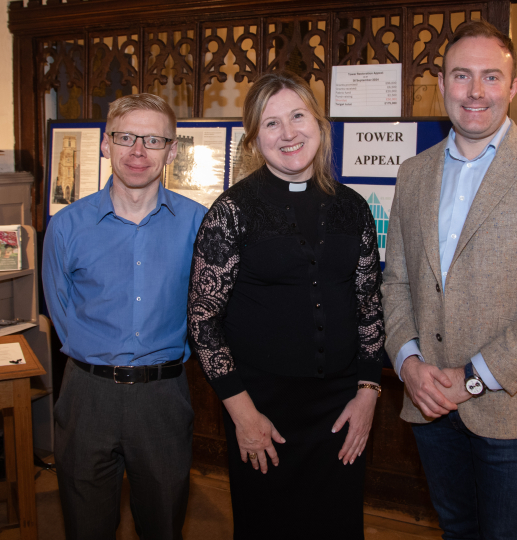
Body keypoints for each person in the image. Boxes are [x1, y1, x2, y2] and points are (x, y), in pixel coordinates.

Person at [381, 20, 517, 540]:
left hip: (511, 407)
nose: (476, 92)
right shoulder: (413, 174)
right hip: (429, 403)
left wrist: (472, 378)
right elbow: (397, 284)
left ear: (514, 87)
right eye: (461, 76)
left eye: (491, 77)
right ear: (441, 84)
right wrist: (408, 363)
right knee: (455, 527)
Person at [188, 70, 385, 540]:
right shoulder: (231, 212)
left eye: (298, 116)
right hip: (262, 412)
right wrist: (243, 414)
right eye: (271, 123)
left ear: (320, 124)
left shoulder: (353, 208)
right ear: (255, 139)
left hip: (340, 410)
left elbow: (369, 308)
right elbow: (203, 322)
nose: (289, 133)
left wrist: (367, 393)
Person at [42, 93, 206, 540]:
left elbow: (210, 313)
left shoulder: (199, 224)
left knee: (164, 526)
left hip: (163, 398)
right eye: (126, 137)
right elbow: (60, 309)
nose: (138, 151)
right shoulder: (67, 227)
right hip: (85, 397)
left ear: (172, 150)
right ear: (104, 144)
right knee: (85, 526)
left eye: (153, 140)